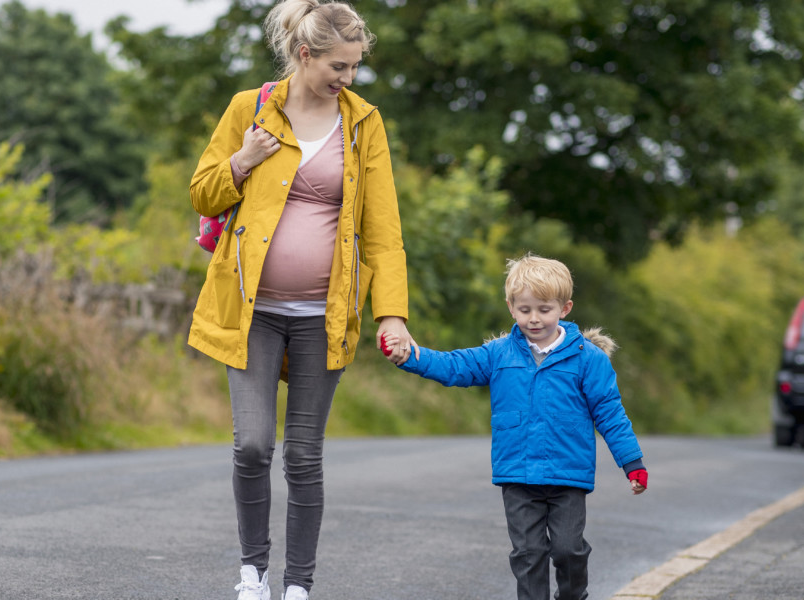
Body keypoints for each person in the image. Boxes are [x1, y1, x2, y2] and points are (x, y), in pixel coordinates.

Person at [187, 0, 415, 598]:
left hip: (324, 314)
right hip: (251, 310)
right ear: (304, 54)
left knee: (305, 457)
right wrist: (243, 160)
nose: (350, 78)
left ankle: (299, 587)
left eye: (357, 66)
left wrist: (392, 314)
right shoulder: (249, 108)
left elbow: (384, 232)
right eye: (340, 66)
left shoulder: (364, 124)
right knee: (254, 444)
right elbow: (202, 194)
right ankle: (253, 573)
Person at [386, 254, 648, 600]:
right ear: (511, 307)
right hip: (518, 475)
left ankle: (573, 595)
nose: (534, 318)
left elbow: (610, 414)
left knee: (569, 551)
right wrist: (410, 357)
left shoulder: (588, 359)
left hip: (568, 476)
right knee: (528, 554)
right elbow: (453, 366)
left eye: (544, 309)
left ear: (565, 308)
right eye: (525, 310)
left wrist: (633, 464)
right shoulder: (498, 354)